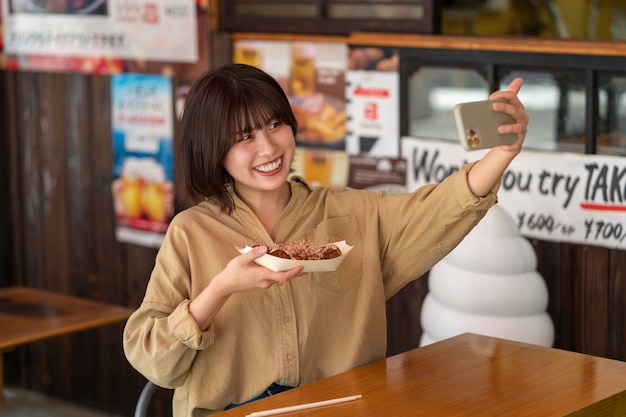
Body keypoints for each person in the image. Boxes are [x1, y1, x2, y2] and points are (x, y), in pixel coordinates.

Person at [123, 63, 529, 417]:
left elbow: (439, 209)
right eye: (245, 137)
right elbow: (155, 362)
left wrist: (503, 153)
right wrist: (222, 288)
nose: (268, 147)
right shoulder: (191, 232)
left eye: (274, 125)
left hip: (342, 407)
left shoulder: (352, 214)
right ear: (214, 150)